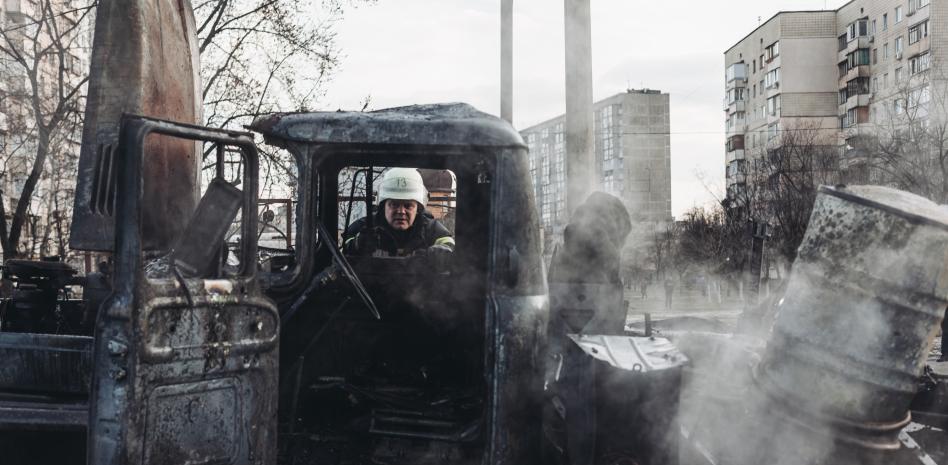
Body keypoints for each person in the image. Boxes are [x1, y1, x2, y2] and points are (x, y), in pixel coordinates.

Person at [343, 167, 454, 257]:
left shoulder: (431, 228)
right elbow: (342, 247)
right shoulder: (366, 226)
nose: (401, 211)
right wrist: (357, 243)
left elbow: (450, 245)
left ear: (418, 209)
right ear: (383, 206)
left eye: (408, 206)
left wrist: (440, 252)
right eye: (394, 204)